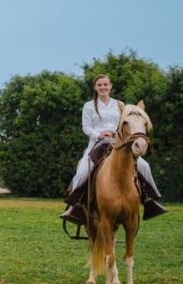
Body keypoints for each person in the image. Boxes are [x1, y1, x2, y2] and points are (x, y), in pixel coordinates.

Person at [60, 74, 166, 225]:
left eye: (105, 85)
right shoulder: (89, 106)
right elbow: (86, 127)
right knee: (82, 172)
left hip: (118, 144)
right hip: (97, 145)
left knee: (144, 166)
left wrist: (120, 134)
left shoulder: (120, 104)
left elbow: (125, 124)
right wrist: (99, 134)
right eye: (99, 85)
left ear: (111, 86)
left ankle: (150, 200)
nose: (103, 87)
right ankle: (75, 206)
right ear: (95, 88)